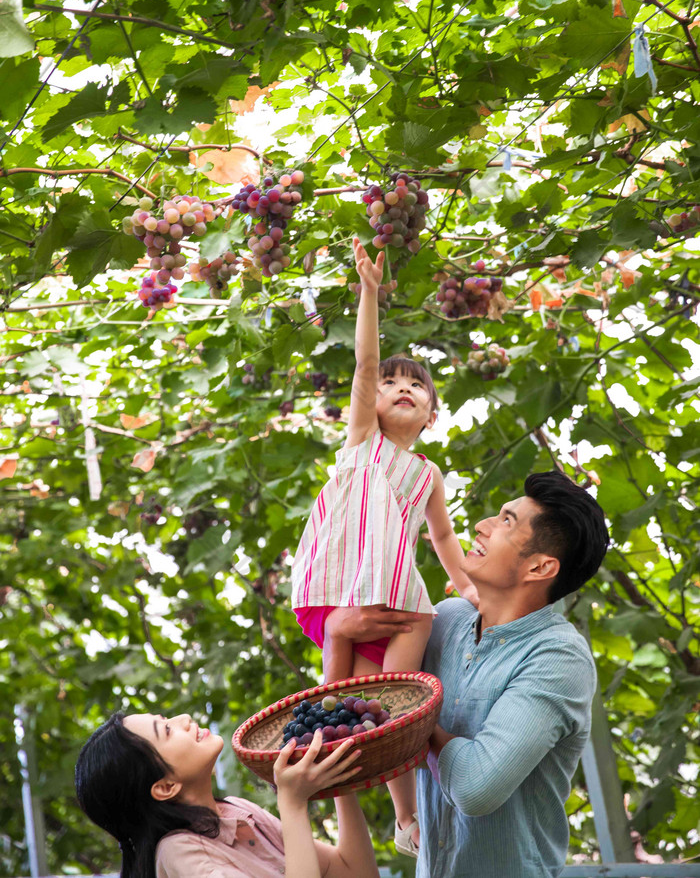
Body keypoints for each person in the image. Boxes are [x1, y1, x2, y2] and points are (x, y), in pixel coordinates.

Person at [324, 470, 610, 878]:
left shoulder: (558, 658)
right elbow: (356, 722)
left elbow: (476, 788)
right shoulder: (443, 621)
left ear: (540, 567)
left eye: (506, 521)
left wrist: (410, 717)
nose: (482, 525)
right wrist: (337, 636)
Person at [291, 236, 477, 856]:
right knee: (347, 700)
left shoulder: (426, 473)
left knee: (384, 701)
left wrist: (469, 585)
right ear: (370, 402)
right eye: (391, 382)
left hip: (394, 589)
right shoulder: (362, 441)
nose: (400, 387)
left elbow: (443, 536)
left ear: (431, 415)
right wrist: (369, 292)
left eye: (416, 387)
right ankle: (329, 767)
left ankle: (404, 820)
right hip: (341, 583)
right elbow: (364, 364)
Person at [75, 710, 380, 878]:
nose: (183, 719)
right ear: (165, 787)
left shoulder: (237, 812)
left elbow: (355, 872)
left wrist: (338, 777)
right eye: (167, 729)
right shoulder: (180, 851)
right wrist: (292, 802)